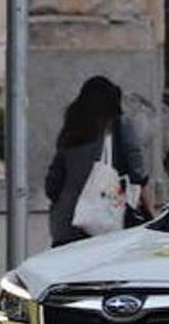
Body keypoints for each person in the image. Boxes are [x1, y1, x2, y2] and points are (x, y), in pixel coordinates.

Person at [45, 75, 152, 247]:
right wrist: (150, 210)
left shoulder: (72, 131)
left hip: (66, 225)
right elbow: (137, 172)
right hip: (106, 223)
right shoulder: (120, 125)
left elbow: (51, 185)